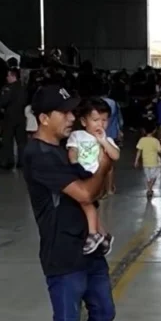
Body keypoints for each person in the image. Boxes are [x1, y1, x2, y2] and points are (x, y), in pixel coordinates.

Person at [22, 85, 116, 321]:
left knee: (103, 312)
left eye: (72, 112)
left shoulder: (66, 148)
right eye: (64, 113)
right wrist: (105, 162)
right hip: (62, 251)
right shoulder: (38, 155)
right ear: (44, 118)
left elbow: (96, 191)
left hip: (87, 246)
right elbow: (86, 193)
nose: (72, 118)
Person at [66, 99, 120, 255]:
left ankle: (93, 234)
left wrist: (103, 141)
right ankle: (102, 234)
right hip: (81, 174)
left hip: (96, 177)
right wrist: (75, 165)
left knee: (86, 202)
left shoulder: (107, 140)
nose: (100, 124)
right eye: (95, 120)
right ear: (84, 122)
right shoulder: (77, 136)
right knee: (87, 204)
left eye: (104, 120)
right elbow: (72, 151)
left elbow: (115, 156)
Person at [134, 121, 161, 199]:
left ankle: (149, 189)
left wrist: (136, 161)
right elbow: (160, 150)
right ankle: (150, 189)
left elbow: (139, 151)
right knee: (154, 177)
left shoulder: (142, 140)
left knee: (148, 177)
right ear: (154, 130)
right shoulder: (155, 141)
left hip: (145, 162)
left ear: (144, 130)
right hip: (154, 162)